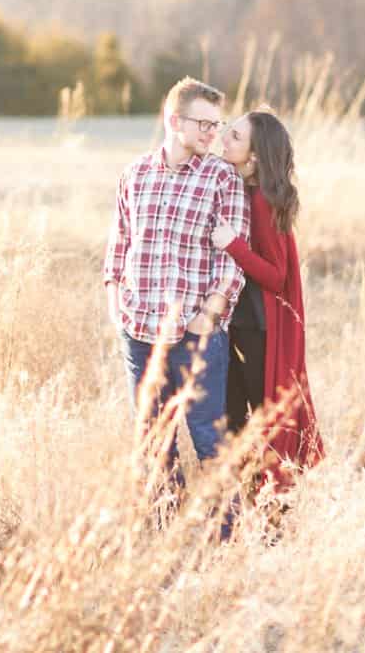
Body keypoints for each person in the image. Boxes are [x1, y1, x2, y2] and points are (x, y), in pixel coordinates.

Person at [104, 77, 250, 494]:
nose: (212, 134)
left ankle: (229, 537)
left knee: (209, 439)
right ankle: (163, 536)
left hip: (196, 334)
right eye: (203, 123)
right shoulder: (135, 174)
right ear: (173, 120)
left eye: (216, 125)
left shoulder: (222, 178)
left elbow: (233, 257)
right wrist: (116, 306)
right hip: (139, 330)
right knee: (153, 442)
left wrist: (209, 314)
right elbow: (120, 242)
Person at [212, 109, 325, 486]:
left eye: (235, 137)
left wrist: (232, 245)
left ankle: (268, 500)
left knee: (257, 419)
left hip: (257, 327)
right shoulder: (247, 190)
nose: (224, 139)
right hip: (243, 324)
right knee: (238, 416)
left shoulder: (262, 200)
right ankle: (250, 493)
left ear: (255, 154)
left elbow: (276, 277)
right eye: (227, 132)